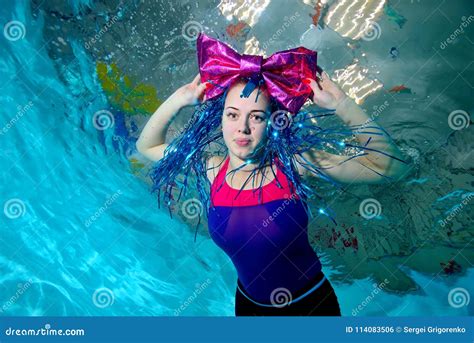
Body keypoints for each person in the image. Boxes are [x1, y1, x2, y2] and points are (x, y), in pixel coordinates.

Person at [136, 33, 408, 316]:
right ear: (221, 118)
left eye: (256, 116)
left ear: (273, 123)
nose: (242, 127)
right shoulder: (212, 169)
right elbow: (148, 145)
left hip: (310, 307)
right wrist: (179, 99)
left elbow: (390, 166)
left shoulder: (296, 165)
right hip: (248, 307)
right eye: (232, 114)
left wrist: (342, 104)